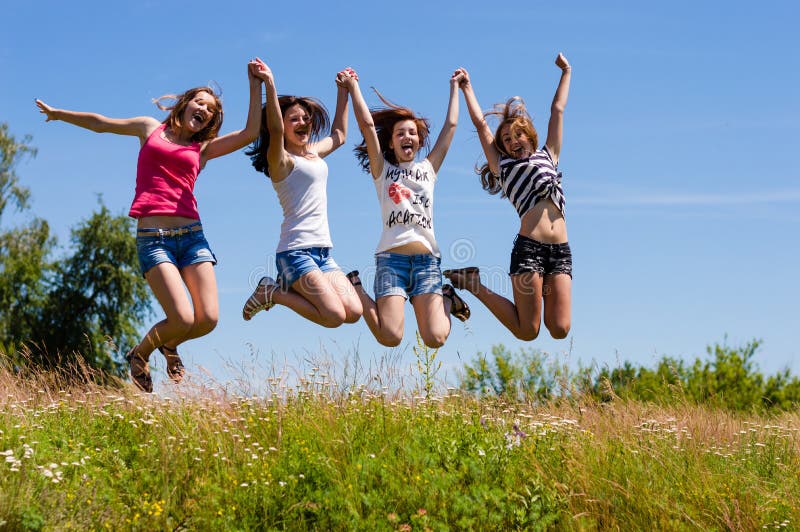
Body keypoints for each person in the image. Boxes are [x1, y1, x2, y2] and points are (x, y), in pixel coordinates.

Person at [35, 59, 265, 392]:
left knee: (208, 319)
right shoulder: (149, 128)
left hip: (192, 239)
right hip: (153, 239)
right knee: (183, 318)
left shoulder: (202, 149)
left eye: (211, 110)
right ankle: (139, 355)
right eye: (199, 101)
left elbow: (250, 133)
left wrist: (254, 83)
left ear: (210, 122)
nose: (204, 109)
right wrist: (59, 114)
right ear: (185, 104)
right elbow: (102, 123)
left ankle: (168, 345)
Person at [445, 53, 572, 341]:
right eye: (506, 140)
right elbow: (480, 125)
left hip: (561, 252)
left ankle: (472, 282)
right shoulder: (503, 168)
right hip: (529, 250)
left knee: (560, 329)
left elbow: (558, 110)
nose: (513, 142)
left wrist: (566, 72)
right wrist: (467, 87)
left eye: (518, 135)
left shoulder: (548, 155)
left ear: (530, 136)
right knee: (528, 330)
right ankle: (473, 284)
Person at [339, 69, 470, 348]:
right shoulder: (382, 171)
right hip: (391, 261)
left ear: (420, 141)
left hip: (426, 263)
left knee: (435, 338)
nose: (406, 136)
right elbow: (365, 125)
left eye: (412, 133)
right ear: (391, 141)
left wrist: (455, 88)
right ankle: (355, 287)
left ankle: (447, 297)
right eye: (400, 133)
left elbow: (451, 127)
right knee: (390, 337)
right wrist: (353, 88)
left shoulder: (428, 169)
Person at [241, 59, 362, 328]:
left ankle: (282, 289)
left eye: (306, 118)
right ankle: (273, 292)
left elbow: (340, 134)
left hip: (323, 252)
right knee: (334, 317)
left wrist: (344, 90)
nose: (303, 122)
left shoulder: (313, 154)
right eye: (294, 119)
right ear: (284, 126)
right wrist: (269, 84)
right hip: (294, 253)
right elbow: (273, 129)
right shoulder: (280, 161)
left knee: (353, 311)